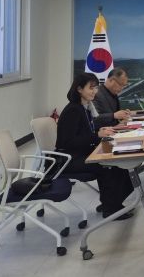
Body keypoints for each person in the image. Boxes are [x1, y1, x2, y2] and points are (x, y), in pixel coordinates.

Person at [55, 72, 135, 220]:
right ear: (79, 89)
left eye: (96, 88)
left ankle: (110, 203)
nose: (94, 91)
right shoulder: (74, 110)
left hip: (80, 153)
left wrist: (99, 131)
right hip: (69, 159)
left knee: (115, 160)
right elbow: (68, 142)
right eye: (90, 88)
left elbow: (85, 133)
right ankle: (111, 209)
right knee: (108, 165)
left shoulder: (84, 107)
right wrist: (97, 135)